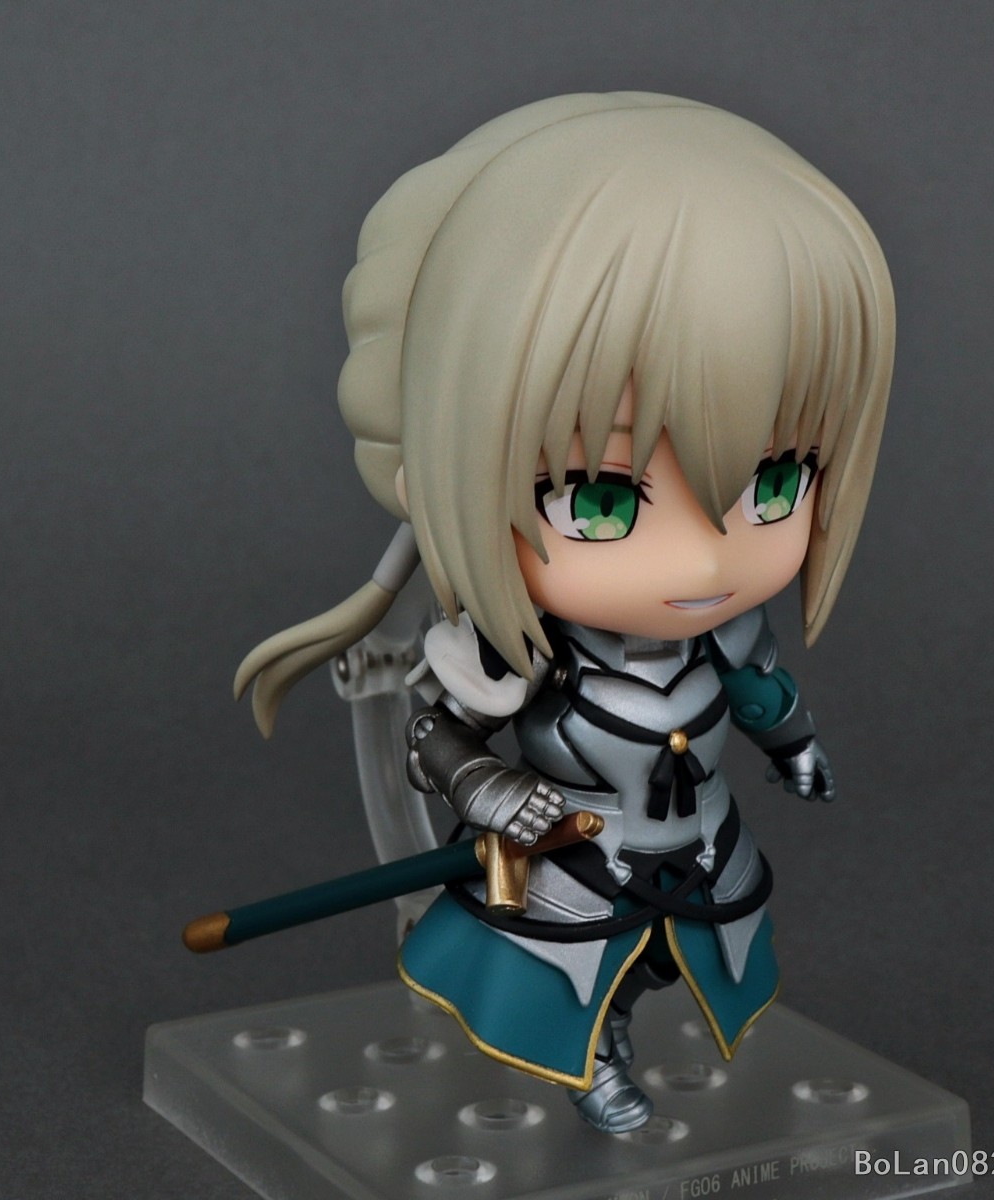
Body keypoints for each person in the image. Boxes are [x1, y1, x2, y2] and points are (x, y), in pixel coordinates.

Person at [235, 91, 895, 1132]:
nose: (704, 557)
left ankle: (620, 1026)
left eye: (775, 484)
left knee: (678, 957)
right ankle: (598, 1062)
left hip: (696, 840)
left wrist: (794, 743)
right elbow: (436, 735)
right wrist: (492, 788)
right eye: (603, 500)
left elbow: (757, 689)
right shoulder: (520, 647)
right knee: (568, 976)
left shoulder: (723, 630)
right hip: (574, 860)